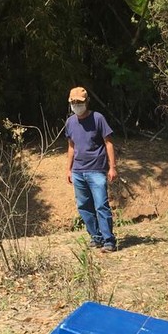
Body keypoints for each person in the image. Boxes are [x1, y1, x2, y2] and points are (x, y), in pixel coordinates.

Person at [65, 86, 118, 252]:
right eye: (73, 102)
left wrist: (112, 167)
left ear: (86, 101)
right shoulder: (70, 122)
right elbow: (71, 146)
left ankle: (109, 241)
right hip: (78, 171)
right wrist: (68, 169)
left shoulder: (98, 118)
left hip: (96, 170)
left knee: (101, 205)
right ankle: (96, 238)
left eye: (79, 102)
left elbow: (108, 142)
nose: (76, 105)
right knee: (84, 206)